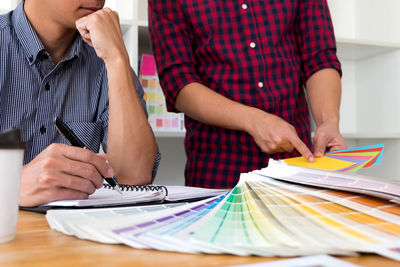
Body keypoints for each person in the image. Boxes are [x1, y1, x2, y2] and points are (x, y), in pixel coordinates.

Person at [148, 0, 347, 188]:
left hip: (296, 165)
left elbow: (319, 56)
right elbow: (178, 82)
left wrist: (328, 121)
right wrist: (254, 120)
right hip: (218, 170)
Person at [0, 0, 159, 207]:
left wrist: (116, 58)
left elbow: (134, 178)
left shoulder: (105, 59)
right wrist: (12, 187)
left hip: (75, 234)